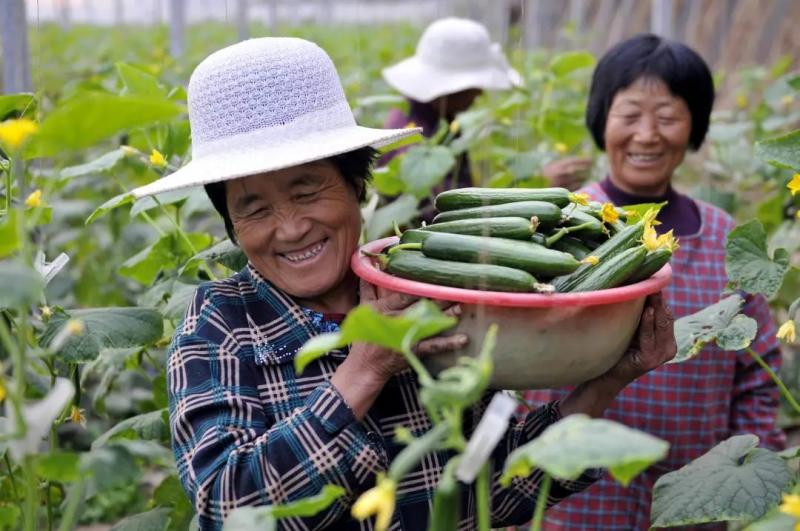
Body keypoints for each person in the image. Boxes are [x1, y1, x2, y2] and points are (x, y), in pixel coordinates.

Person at [130, 37, 676, 530]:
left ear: (356, 185)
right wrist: (365, 368)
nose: (291, 228)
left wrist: (609, 380)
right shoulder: (220, 325)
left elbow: (500, 483)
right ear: (230, 224)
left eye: (306, 192)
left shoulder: (425, 290)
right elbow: (229, 510)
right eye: (254, 208)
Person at [524, 34, 785, 531]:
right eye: (629, 115)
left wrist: (742, 475)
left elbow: (760, 372)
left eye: (667, 117)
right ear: (602, 120)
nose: (647, 134)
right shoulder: (559, 227)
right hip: (569, 502)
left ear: (694, 127)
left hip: (694, 500)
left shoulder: (725, 238)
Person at [380, 17, 591, 195]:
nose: (479, 93)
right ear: (451, 88)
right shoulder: (409, 138)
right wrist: (534, 188)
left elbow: (464, 197)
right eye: (474, 85)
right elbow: (449, 214)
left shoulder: (440, 118)